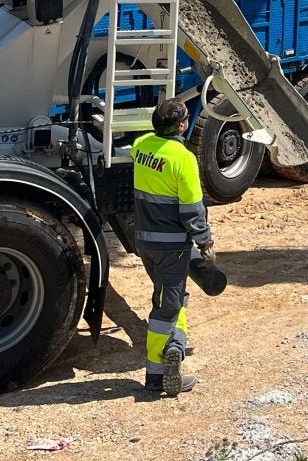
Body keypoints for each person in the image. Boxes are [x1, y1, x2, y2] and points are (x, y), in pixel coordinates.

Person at [132, 98, 214, 396]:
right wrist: (205, 241)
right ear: (181, 125)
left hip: (144, 241)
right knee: (165, 308)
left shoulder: (141, 146)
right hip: (173, 247)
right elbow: (192, 209)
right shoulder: (182, 158)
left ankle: (175, 346)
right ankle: (156, 374)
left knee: (173, 296)